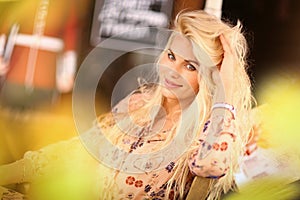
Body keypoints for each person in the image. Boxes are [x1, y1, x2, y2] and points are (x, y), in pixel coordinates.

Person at [0, 10, 254, 200]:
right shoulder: (139, 103)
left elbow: (209, 165)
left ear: (210, 77)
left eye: (190, 66)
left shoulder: (209, 134)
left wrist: (226, 91)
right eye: (171, 56)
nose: (172, 71)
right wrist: (9, 173)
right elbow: (82, 149)